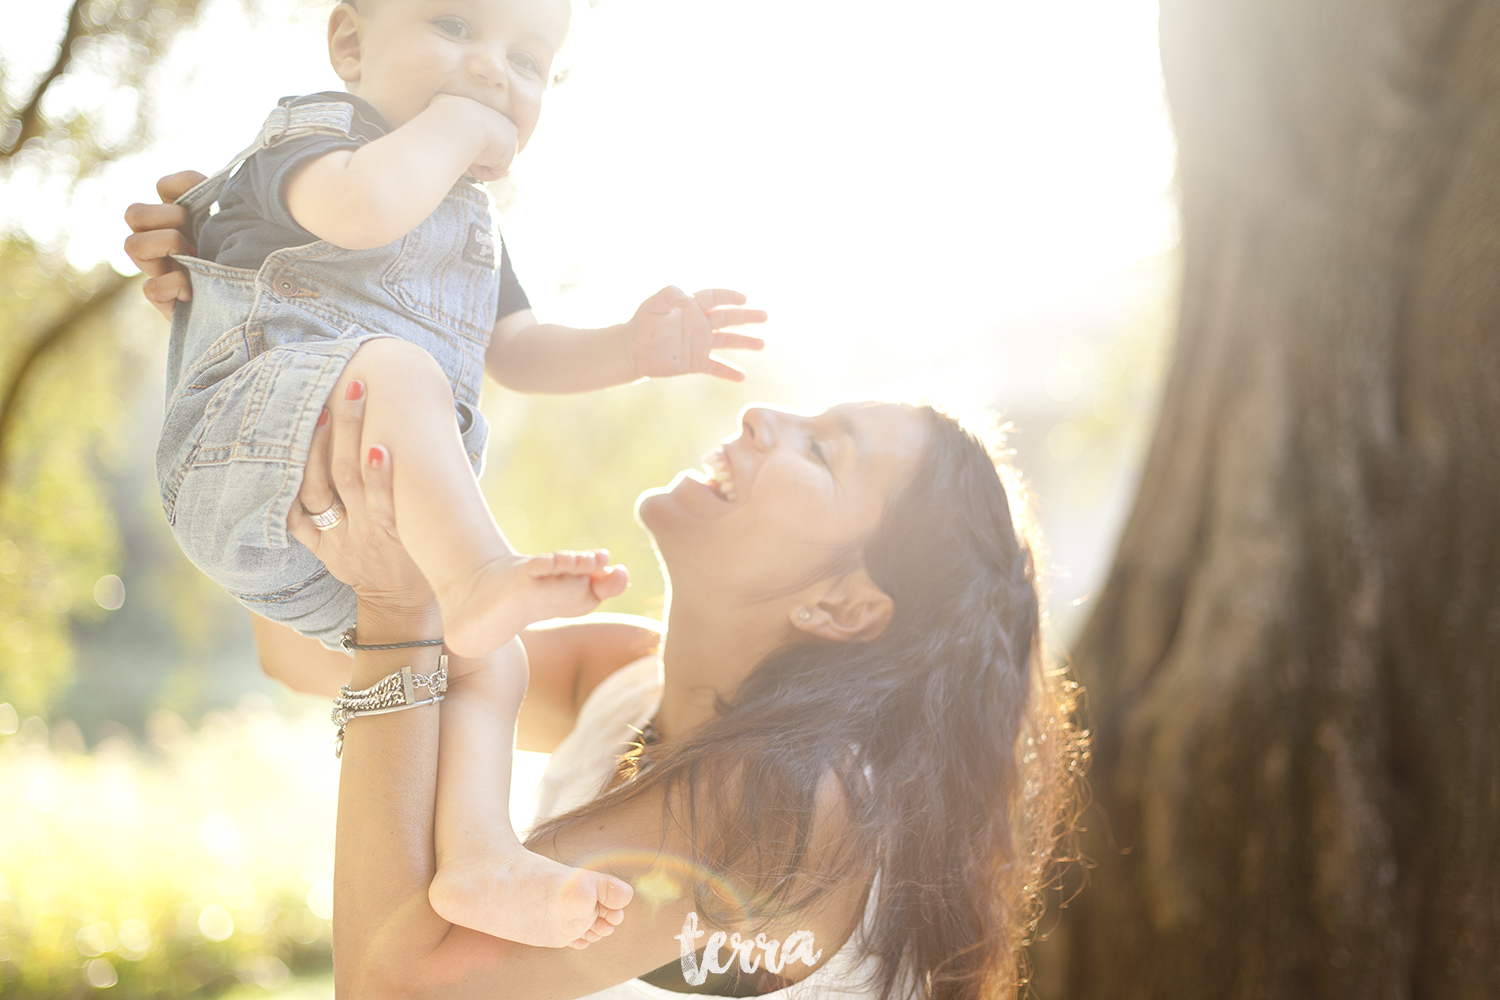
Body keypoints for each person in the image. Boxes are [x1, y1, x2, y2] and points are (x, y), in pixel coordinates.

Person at [127, 0, 764, 950]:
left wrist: (631, 346)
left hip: (344, 529)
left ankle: (477, 854)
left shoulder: (471, 224)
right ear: (349, 43)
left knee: (491, 658)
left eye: (528, 61)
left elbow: (520, 351)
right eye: (455, 29)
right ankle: (473, 579)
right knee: (401, 371)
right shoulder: (315, 135)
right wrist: (463, 124)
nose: (492, 72)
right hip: (242, 442)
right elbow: (362, 208)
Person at [263, 381, 1086, 998]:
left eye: (822, 451)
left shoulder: (783, 802)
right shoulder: (619, 680)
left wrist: (401, 610)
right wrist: (266, 346)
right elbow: (299, 655)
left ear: (843, 605)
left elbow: (391, 988)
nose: (765, 415)